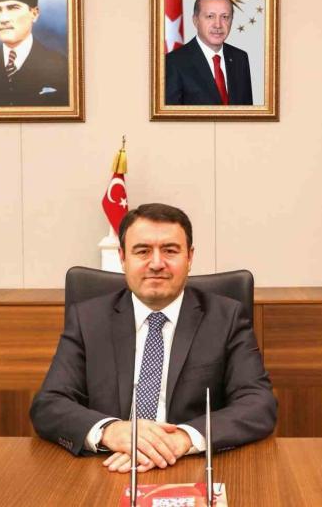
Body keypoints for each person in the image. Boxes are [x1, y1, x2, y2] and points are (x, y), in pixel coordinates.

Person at [30, 203, 276, 473]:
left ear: (190, 257)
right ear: (123, 257)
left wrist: (184, 437)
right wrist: (111, 431)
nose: (157, 263)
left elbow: (258, 403)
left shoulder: (226, 317)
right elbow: (49, 404)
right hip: (107, 466)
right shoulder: (88, 318)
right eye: (142, 251)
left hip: (191, 466)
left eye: (170, 250)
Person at [165, 0, 253, 106]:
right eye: (210, 16)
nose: (218, 25)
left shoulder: (240, 58)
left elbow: (247, 112)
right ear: (195, 20)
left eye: (225, 17)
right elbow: (170, 116)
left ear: (231, 20)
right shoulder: (173, 62)